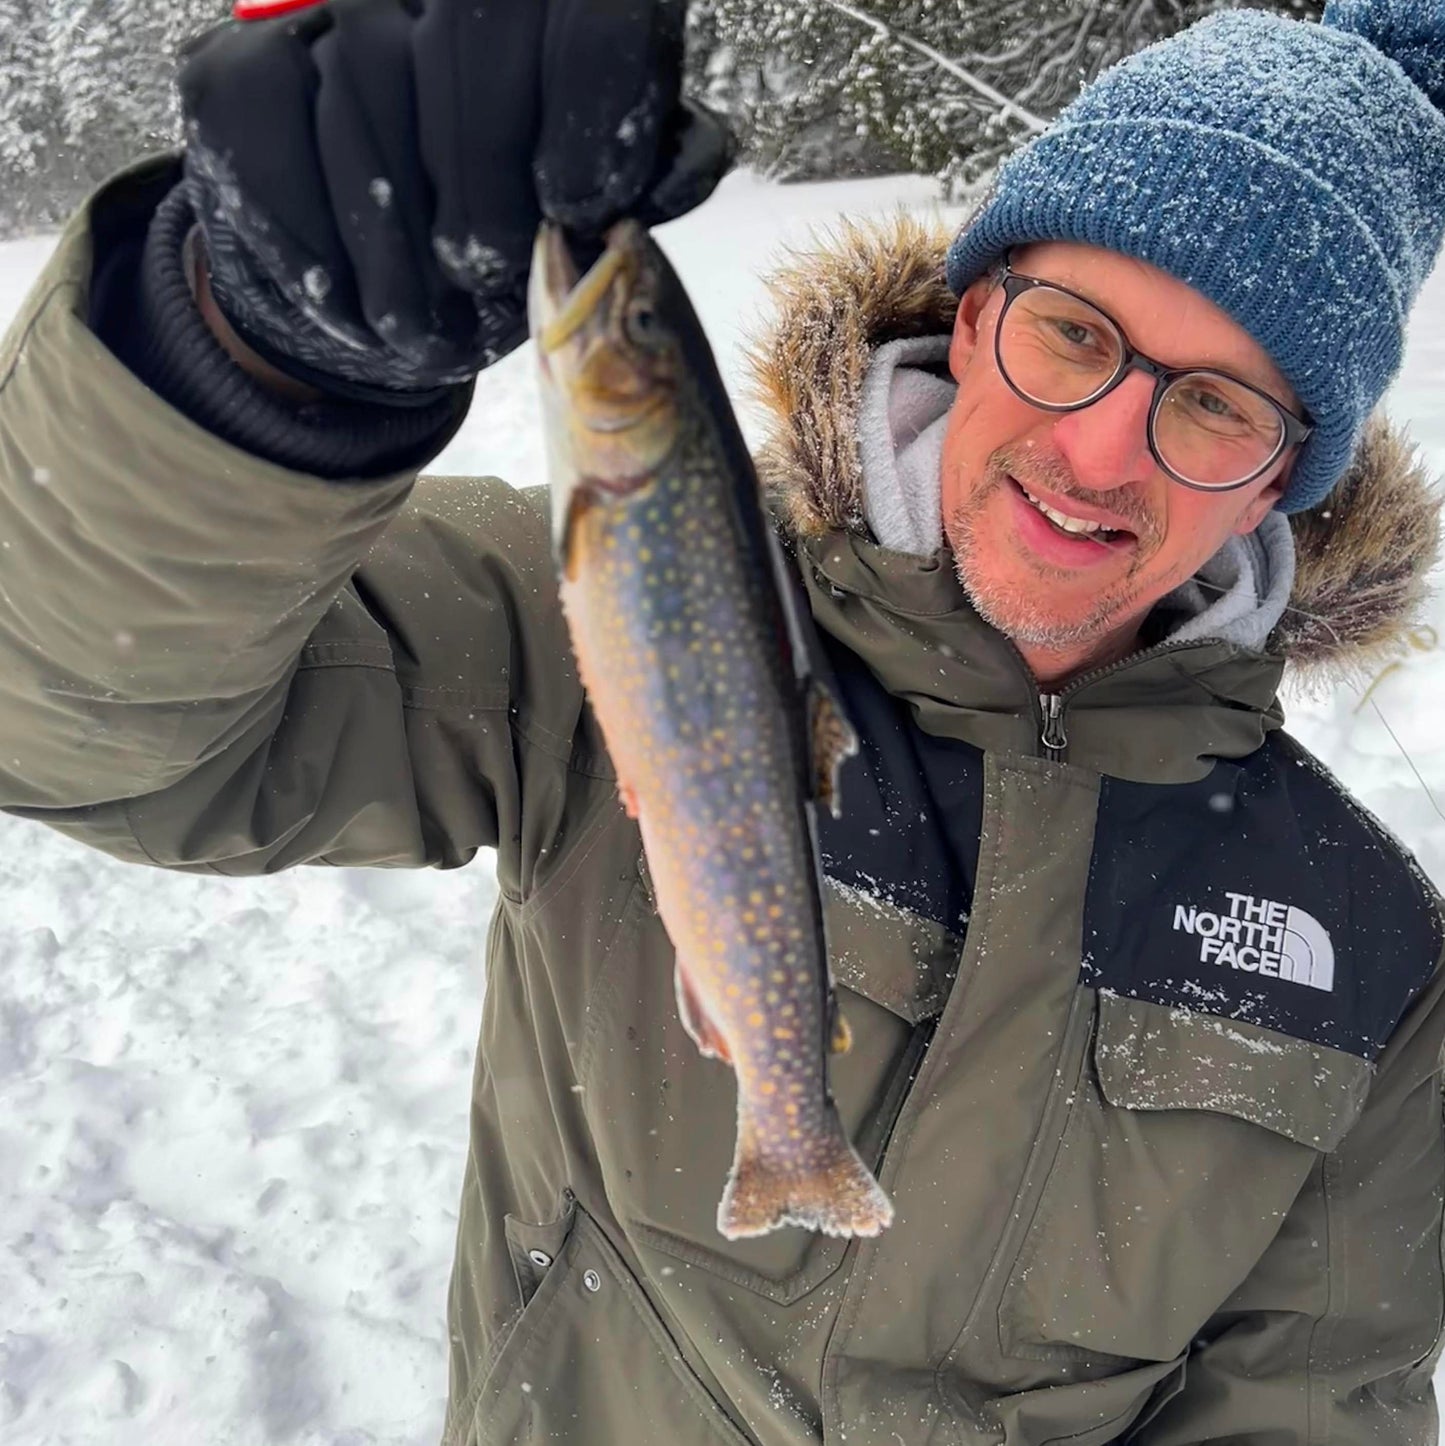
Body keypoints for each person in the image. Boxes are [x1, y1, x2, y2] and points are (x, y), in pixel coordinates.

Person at [2, 0, 1443, 1441]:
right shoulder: (588, 618)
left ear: (1279, 483)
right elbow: (88, 719)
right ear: (970, 313)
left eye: (1212, 408)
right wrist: (253, 358)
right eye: (1071, 332)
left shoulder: (1372, 951)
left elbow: (1309, 1409)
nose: (1095, 447)